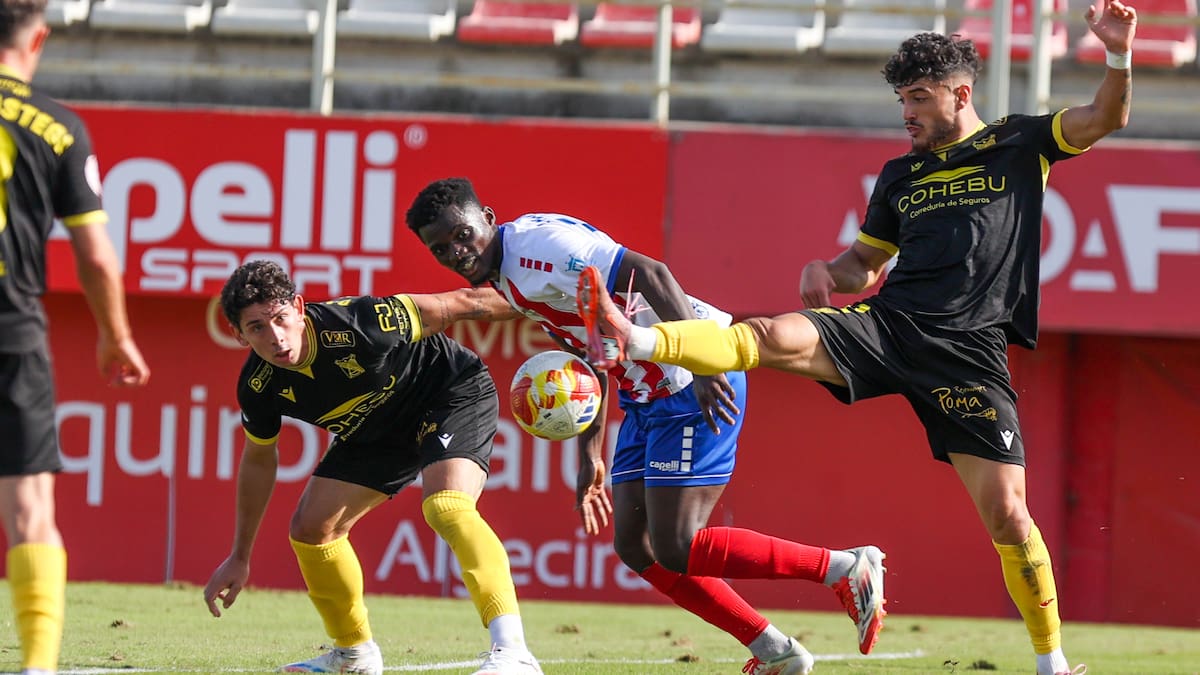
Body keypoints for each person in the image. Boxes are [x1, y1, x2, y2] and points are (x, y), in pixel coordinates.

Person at [574, 3, 1136, 674]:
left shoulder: (1022, 142)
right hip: (888, 326)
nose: (908, 113)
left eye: (919, 98)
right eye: (902, 99)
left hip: (969, 356)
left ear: (962, 94)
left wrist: (1118, 55)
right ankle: (633, 340)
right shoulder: (901, 176)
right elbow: (861, 266)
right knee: (762, 333)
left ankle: (1052, 663)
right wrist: (826, 270)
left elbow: (1105, 117)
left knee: (1011, 518)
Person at [406, 178, 888, 674]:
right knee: (637, 548)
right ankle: (776, 653)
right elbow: (590, 350)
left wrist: (704, 362)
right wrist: (589, 454)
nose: (457, 252)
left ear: (487, 216)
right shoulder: (505, 273)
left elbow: (652, 272)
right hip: (646, 395)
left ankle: (845, 568)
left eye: (462, 235)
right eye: (441, 249)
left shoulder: (541, 247)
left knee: (679, 543)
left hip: (688, 381)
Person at [202, 260, 544, 675]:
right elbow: (258, 459)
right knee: (311, 531)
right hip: (378, 429)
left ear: (299, 306)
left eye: (280, 318)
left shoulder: (361, 321)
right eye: (257, 327)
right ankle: (353, 656)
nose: (275, 336)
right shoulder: (258, 386)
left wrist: (559, 309)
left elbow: (465, 302)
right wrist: (240, 556)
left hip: (449, 392)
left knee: (447, 506)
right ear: (238, 335)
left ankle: (514, 653)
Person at [0, 0, 153, 673]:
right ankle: (36, 665)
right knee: (30, 504)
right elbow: (94, 254)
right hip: (12, 329)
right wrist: (115, 334)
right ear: (37, 37)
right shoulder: (59, 129)